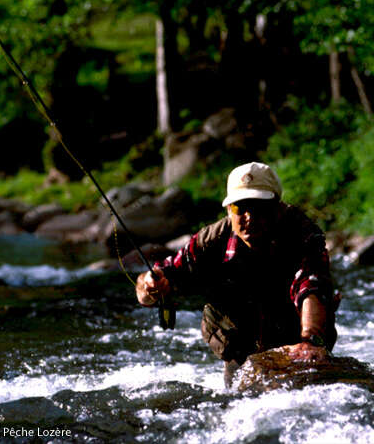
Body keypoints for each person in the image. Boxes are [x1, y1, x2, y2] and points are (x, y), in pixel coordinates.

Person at [136, 162, 339, 387]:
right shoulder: (208, 242)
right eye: (239, 208)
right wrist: (149, 286)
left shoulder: (303, 233)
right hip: (239, 352)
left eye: (259, 207)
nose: (249, 217)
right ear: (228, 210)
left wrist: (309, 340)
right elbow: (150, 288)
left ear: (277, 207)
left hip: (296, 347)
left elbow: (311, 286)